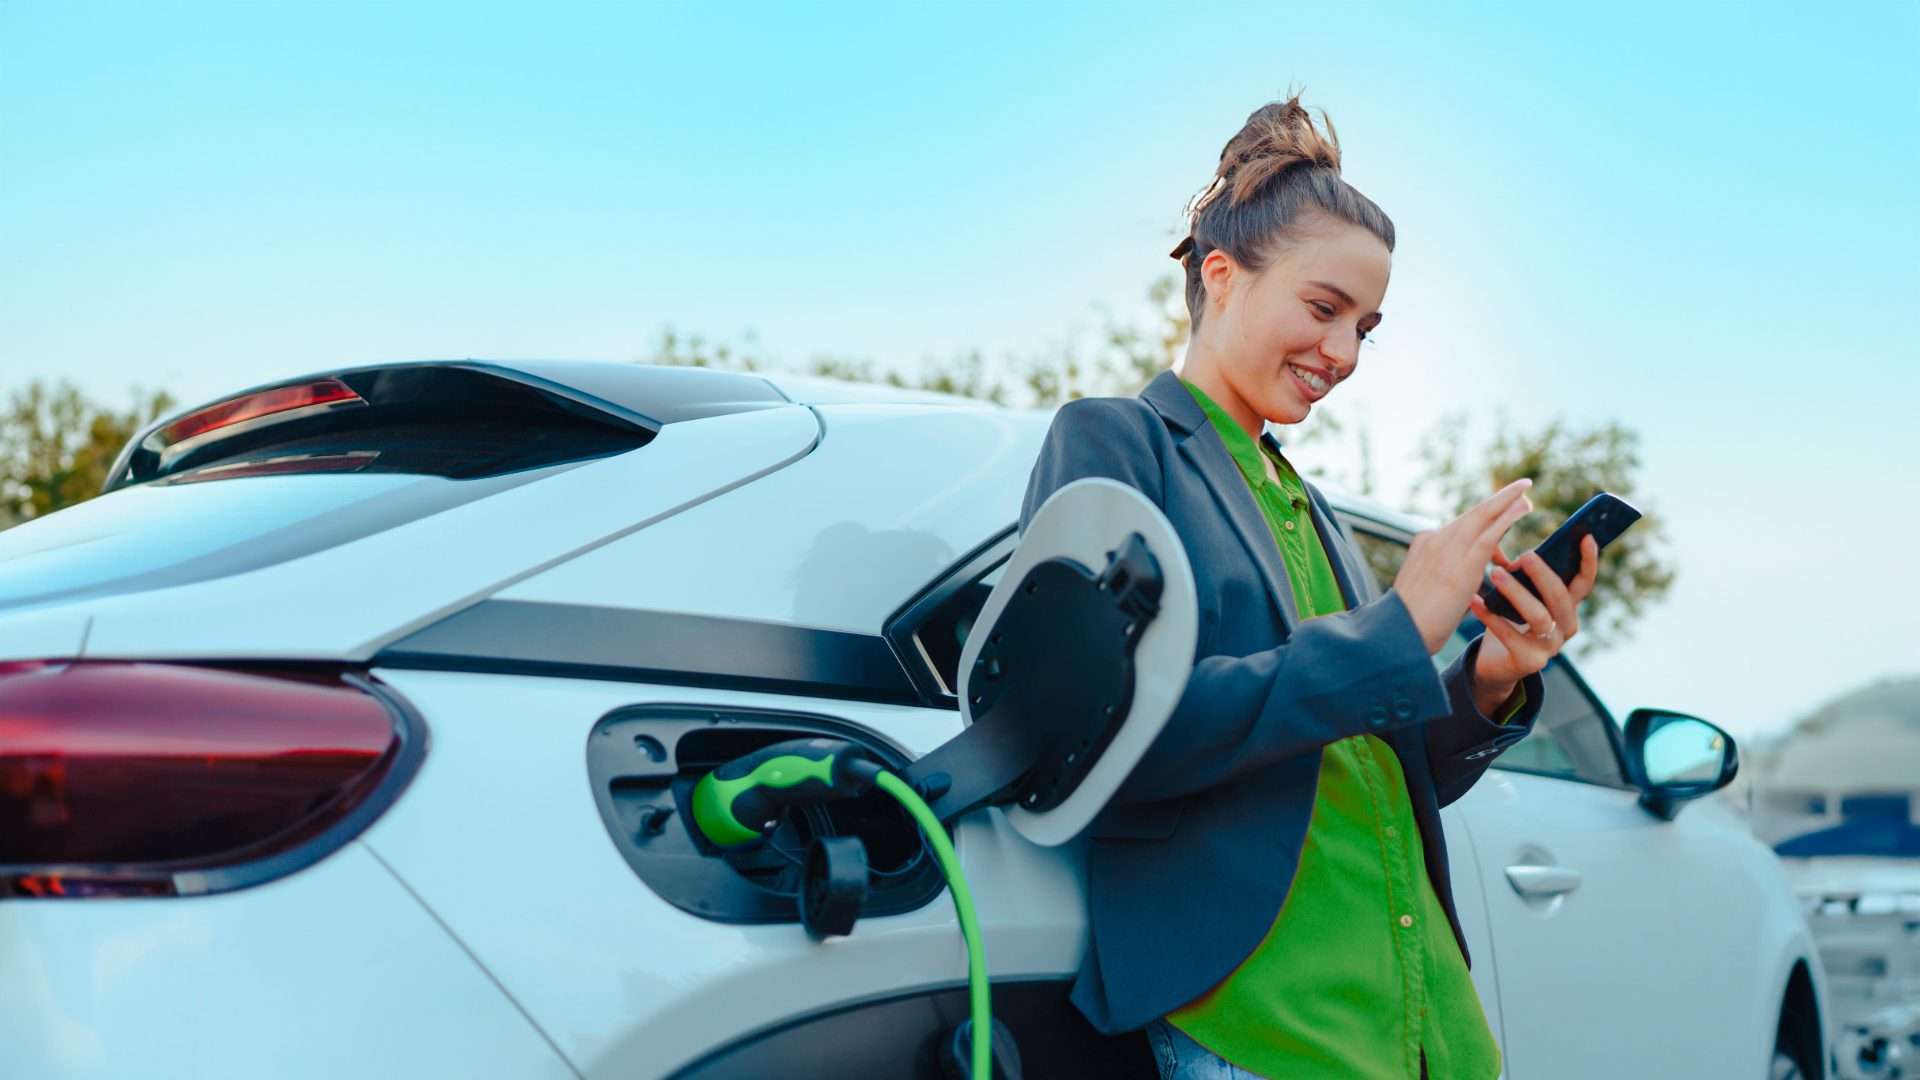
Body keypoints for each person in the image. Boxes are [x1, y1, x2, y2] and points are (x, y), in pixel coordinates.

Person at [1017, 95, 1601, 1080]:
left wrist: (1489, 679)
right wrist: (1399, 628)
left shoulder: (1311, 505)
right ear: (1223, 276)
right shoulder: (1113, 442)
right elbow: (1103, 735)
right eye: (1324, 309)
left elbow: (1375, 769)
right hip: (1264, 1018)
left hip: (1418, 1022)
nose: (1344, 354)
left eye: (1366, 328)